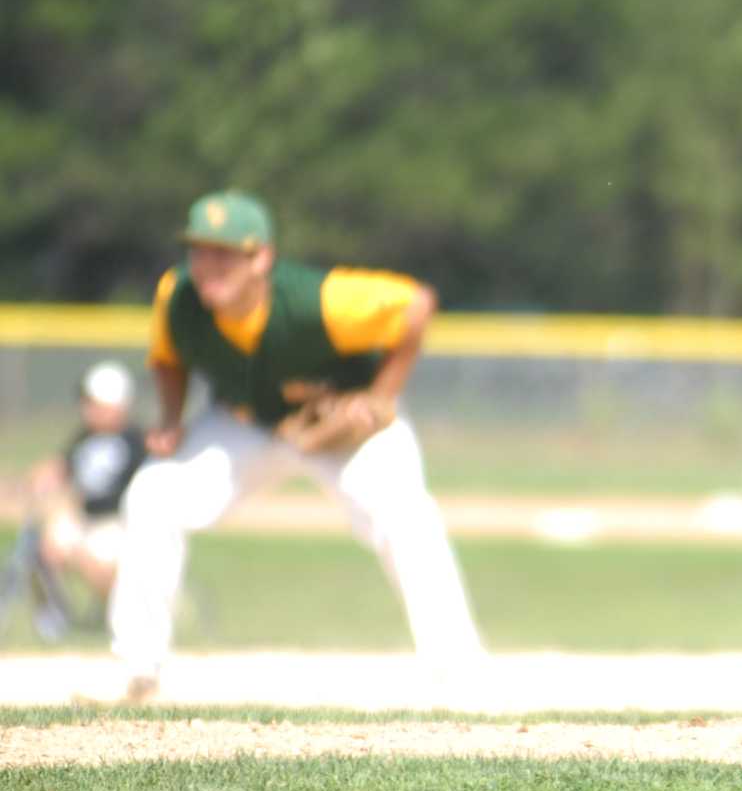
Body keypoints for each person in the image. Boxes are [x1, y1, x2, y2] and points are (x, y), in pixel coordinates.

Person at [103, 189, 485, 702]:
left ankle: (458, 674)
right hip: (247, 424)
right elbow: (168, 357)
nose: (207, 265)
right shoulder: (177, 295)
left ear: (261, 257)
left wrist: (381, 395)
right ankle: (137, 668)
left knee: (406, 514)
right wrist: (171, 417)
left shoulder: (321, 299)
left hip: (339, 423)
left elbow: (417, 306)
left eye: (224, 252)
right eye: (199, 250)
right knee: (153, 493)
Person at [7, 361, 148, 636]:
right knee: (49, 538)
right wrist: (26, 483)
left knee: (103, 562)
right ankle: (55, 621)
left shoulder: (136, 440)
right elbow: (58, 466)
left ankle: (123, 617)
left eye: (94, 402)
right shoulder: (84, 437)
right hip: (86, 521)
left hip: (119, 523)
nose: (87, 409)